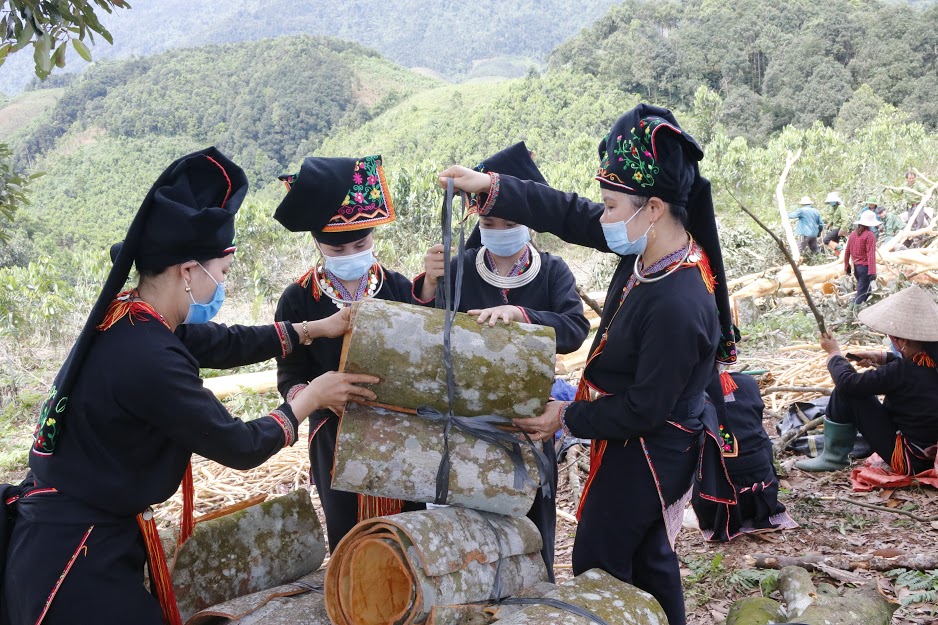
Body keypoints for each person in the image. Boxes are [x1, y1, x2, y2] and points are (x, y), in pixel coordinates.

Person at [1, 148, 379, 625]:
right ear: (187, 272)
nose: (220, 285)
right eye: (220, 274)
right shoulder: (148, 358)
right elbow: (239, 445)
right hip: (74, 560)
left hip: (68, 534)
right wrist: (311, 398)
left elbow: (221, 342)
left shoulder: (132, 318)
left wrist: (311, 329)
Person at [436, 104, 736, 625]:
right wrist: (491, 185)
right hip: (631, 439)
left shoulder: (678, 302)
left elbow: (645, 407)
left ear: (654, 208)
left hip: (648, 449)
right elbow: (570, 212)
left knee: (601, 562)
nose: (603, 216)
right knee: (650, 559)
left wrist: (566, 417)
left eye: (611, 205)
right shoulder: (649, 249)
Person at [413, 142, 590, 580]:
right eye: (490, 222)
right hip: (470, 420)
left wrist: (522, 315)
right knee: (471, 519)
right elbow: (431, 332)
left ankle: (535, 594)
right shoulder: (462, 267)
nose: (500, 230)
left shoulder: (552, 271)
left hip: (530, 421)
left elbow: (573, 330)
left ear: (530, 221)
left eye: (511, 222)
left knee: (530, 517)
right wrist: (430, 284)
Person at [272, 155, 425, 553]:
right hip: (332, 435)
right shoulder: (298, 299)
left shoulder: (398, 288)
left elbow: (424, 356)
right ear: (318, 243)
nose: (351, 254)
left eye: (361, 244)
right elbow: (289, 374)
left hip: (401, 431)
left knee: (409, 529)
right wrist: (313, 396)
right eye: (337, 248)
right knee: (347, 530)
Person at [797, 286, 938, 473]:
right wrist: (881, 357)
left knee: (846, 393)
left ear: (902, 342)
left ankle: (833, 457)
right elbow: (914, 373)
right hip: (928, 454)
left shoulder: (901, 371)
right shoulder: (928, 363)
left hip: (908, 458)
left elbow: (848, 383)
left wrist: (834, 354)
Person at [692, 371, 798, 541]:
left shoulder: (691, 388)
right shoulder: (748, 382)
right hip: (762, 485)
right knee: (760, 437)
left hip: (716, 496)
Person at [843, 211, 879, 311]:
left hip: (857, 267)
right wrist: (872, 272)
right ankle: (851, 314)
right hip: (865, 268)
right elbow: (871, 254)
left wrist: (847, 266)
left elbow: (847, 251)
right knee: (861, 293)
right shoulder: (869, 235)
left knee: (867, 291)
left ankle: (861, 311)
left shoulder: (853, 234)